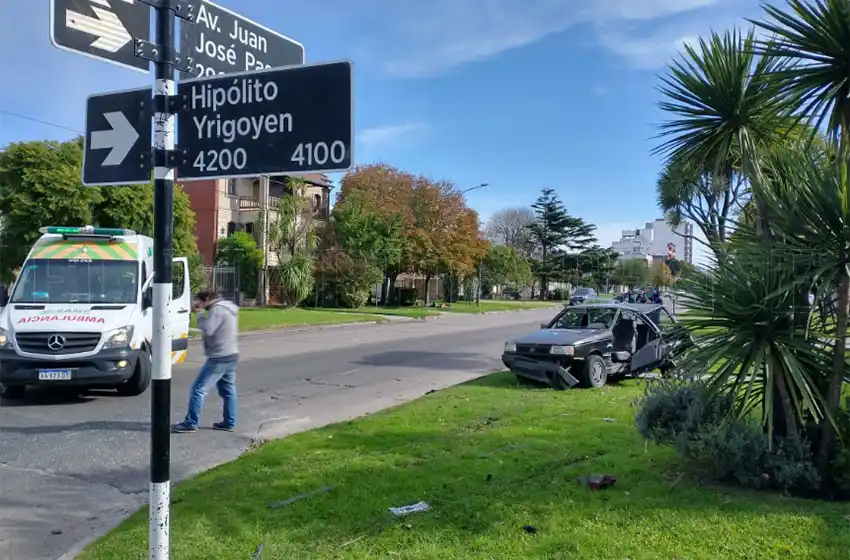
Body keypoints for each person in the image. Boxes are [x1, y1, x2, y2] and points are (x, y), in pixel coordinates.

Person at [173, 290, 239, 433]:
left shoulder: (217, 310)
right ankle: (229, 422)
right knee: (228, 391)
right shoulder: (228, 307)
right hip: (231, 354)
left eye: (198, 302)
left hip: (219, 357)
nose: (196, 305)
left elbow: (208, 329)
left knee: (198, 389)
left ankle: (191, 422)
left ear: (206, 300)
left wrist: (199, 314)